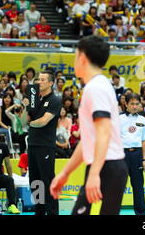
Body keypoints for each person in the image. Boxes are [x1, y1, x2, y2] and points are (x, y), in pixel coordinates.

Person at [50, 36, 128, 215]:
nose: (74, 60)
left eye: (75, 55)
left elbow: (104, 132)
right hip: (105, 166)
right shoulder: (98, 86)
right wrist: (65, 173)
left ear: (82, 58)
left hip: (107, 167)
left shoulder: (96, 88)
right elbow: (88, 142)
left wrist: (94, 174)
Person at [22, 69, 61, 215]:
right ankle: (39, 211)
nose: (39, 81)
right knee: (36, 182)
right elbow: (22, 122)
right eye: (38, 79)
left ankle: (52, 212)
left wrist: (30, 124)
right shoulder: (35, 99)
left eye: (43, 79)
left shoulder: (54, 100)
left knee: (48, 181)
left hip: (45, 146)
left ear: (51, 83)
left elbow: (43, 121)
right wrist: (26, 107)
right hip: (32, 145)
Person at [119, 93, 145, 215]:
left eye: (137, 104)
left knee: (138, 186)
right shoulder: (119, 118)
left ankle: (140, 212)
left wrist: (144, 159)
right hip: (121, 155)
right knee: (118, 186)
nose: (135, 106)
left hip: (137, 155)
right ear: (126, 104)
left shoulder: (142, 119)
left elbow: (144, 139)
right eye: (132, 104)